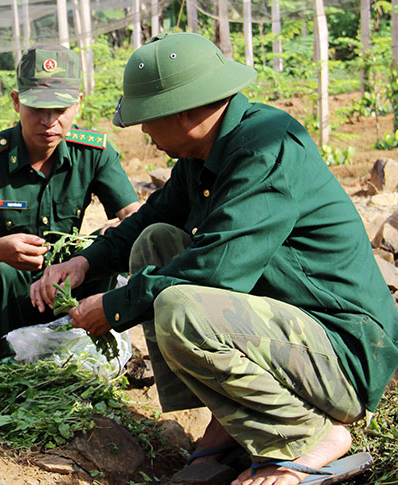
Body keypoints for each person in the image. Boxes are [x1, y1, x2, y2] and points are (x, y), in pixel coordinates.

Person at [32, 32, 398, 485]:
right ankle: (226, 421)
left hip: (339, 354)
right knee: (156, 241)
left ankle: (303, 437)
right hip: (286, 334)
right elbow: (154, 215)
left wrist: (114, 307)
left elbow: (216, 270)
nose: (144, 132)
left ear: (184, 111)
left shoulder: (266, 147)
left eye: (147, 119)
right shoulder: (204, 151)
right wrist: (87, 262)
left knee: (179, 307)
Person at [0, 45, 140, 363]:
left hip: (66, 285)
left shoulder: (94, 153)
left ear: (77, 105)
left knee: (105, 250)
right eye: (36, 109)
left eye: (60, 110)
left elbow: (134, 215)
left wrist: (117, 230)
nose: (48, 122)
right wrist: (0, 250)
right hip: (3, 296)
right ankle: (8, 367)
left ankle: (82, 358)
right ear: (17, 102)